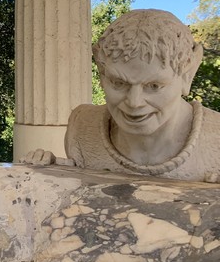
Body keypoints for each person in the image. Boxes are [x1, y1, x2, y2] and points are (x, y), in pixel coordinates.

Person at [25, 9, 220, 182]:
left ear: (187, 75)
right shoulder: (82, 128)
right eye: (118, 83)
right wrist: (56, 170)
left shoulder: (215, 138)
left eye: (154, 86)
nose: (134, 102)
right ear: (102, 74)